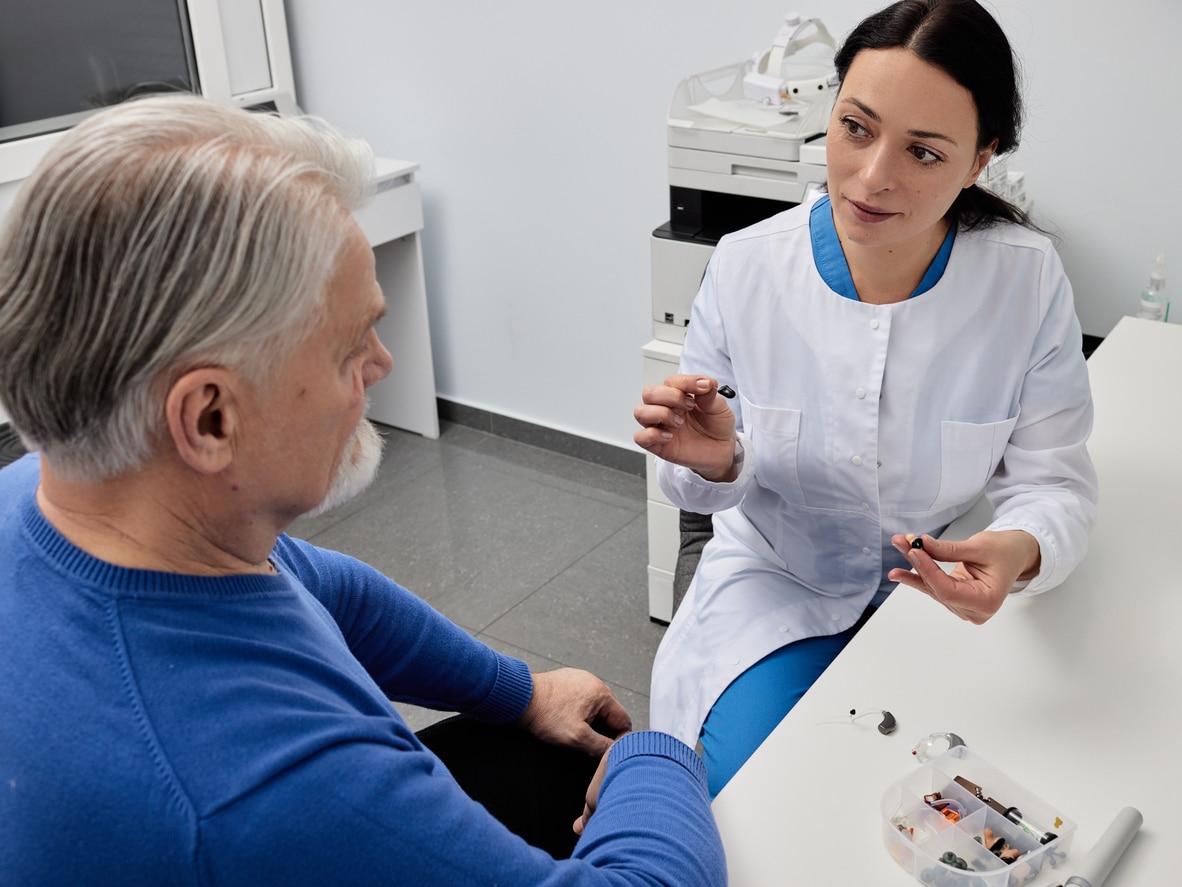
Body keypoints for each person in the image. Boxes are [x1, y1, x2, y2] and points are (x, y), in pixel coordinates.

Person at [0, 94, 726, 886]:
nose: (382, 363)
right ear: (209, 417)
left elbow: (320, 585)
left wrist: (519, 691)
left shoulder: (56, 484)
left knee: (541, 755)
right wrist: (662, 753)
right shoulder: (259, 784)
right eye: (350, 345)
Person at [634, 0, 1098, 799]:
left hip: (946, 602)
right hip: (780, 588)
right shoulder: (747, 269)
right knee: (752, 799)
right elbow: (706, 477)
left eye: (923, 151)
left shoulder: (1026, 280)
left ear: (980, 159)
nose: (875, 176)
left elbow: (1053, 481)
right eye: (856, 128)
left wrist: (1018, 552)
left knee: (987, 807)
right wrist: (720, 460)